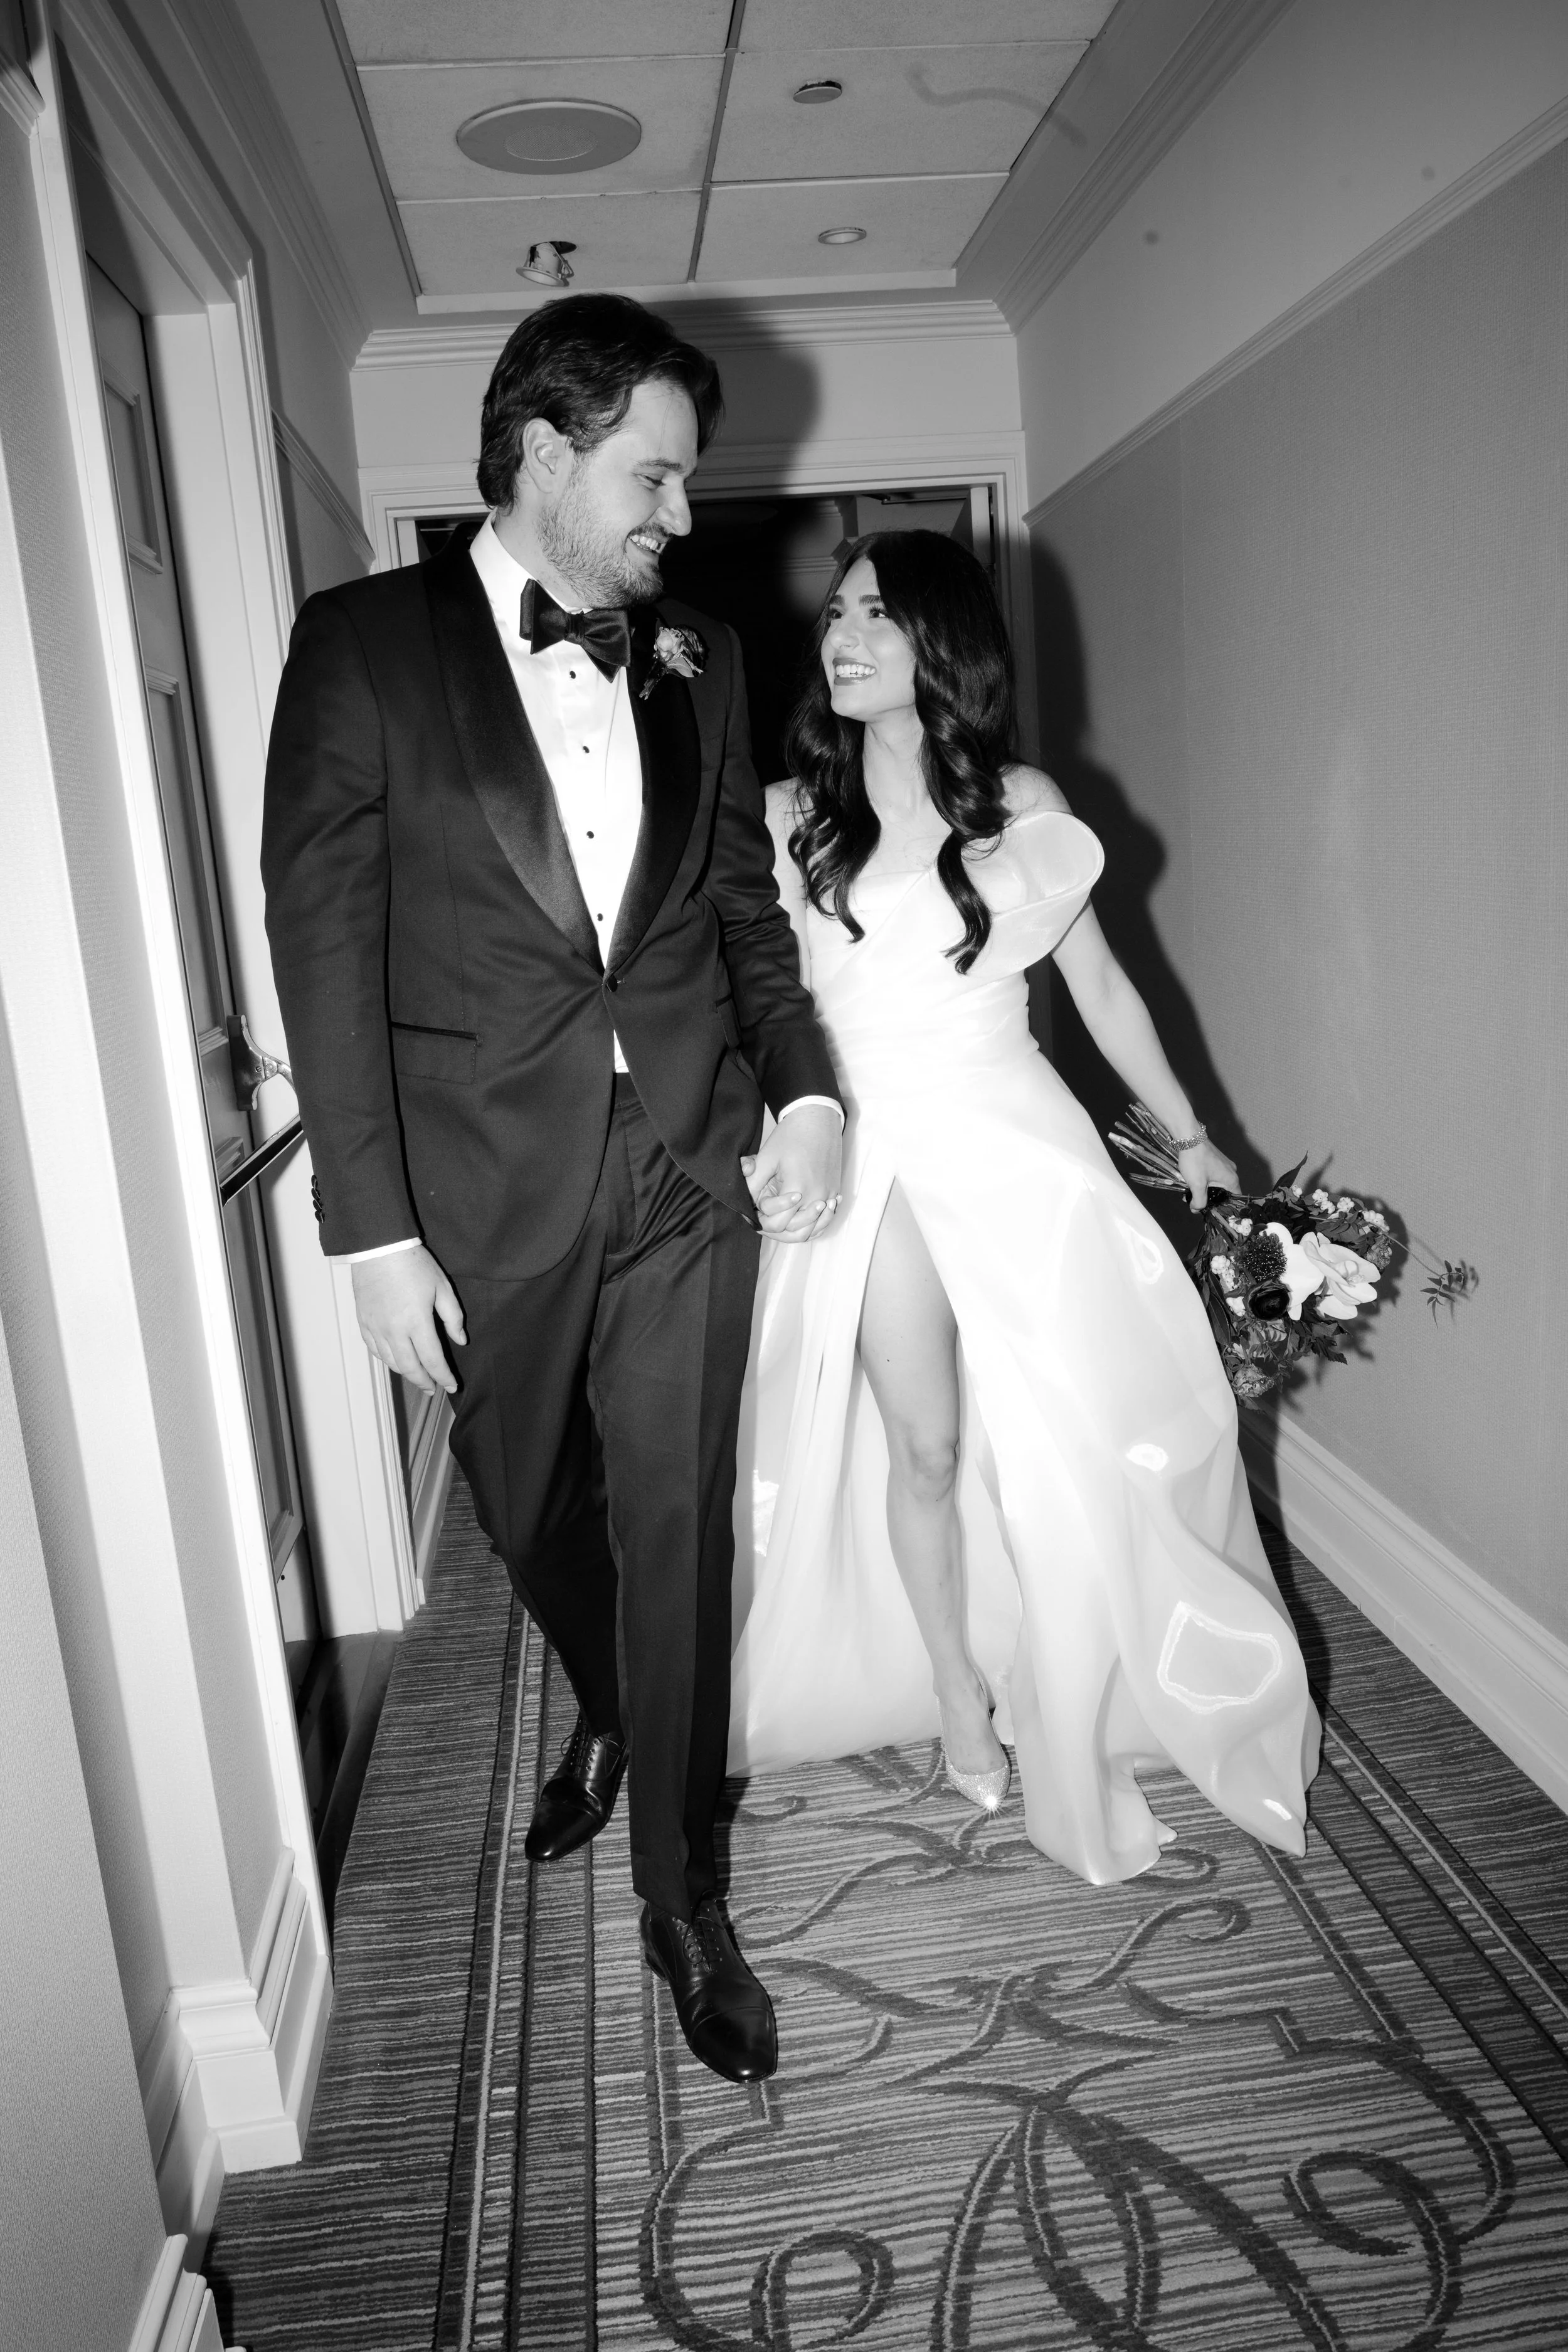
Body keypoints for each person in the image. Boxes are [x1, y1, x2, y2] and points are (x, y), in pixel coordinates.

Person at [262, 295, 844, 2082]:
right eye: (652, 475)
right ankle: (616, 1704)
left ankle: (683, 1897)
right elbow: (323, 937)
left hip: (685, 1161)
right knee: (528, 1514)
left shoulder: (707, 661)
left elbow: (741, 909)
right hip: (473, 1185)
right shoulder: (361, 644)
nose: (679, 513)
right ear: (541, 454)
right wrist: (364, 1228)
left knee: (673, 1521)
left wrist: (806, 1090)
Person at [729, 532, 1320, 1882]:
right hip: (871, 1152)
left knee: (1084, 1429)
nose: (844, 633)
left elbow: (1101, 989)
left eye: (878, 613)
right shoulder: (780, 815)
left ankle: (1093, 1681)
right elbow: (757, 1006)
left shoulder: (1018, 800)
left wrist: (1191, 1135)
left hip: (1017, 1141)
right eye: (836, 612)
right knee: (925, 1448)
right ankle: (953, 1689)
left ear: (941, 641)